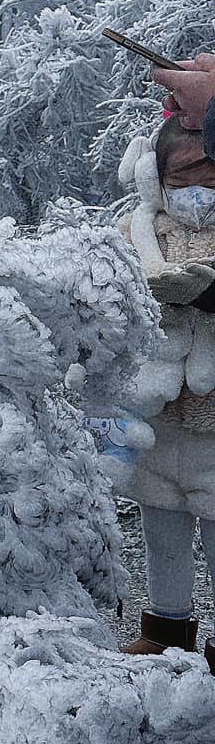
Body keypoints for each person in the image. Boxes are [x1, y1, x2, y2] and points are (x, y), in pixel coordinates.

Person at [115, 105, 215, 668]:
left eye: (210, 177)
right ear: (156, 176)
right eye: (183, 178)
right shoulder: (136, 232)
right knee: (163, 530)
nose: (198, 191)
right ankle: (166, 627)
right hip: (158, 418)